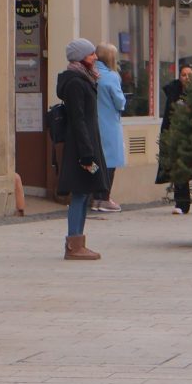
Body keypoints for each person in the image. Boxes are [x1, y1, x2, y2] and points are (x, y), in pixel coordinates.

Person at [57, 38, 104, 260]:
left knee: (85, 192)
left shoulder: (84, 78)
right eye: (91, 54)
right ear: (80, 57)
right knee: (79, 192)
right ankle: (74, 245)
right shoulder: (76, 82)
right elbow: (78, 119)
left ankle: (78, 243)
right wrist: (86, 153)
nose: (95, 57)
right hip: (80, 147)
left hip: (86, 144)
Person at [92, 43, 127, 213]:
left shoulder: (90, 74)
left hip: (92, 123)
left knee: (95, 163)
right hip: (109, 124)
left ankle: (94, 197)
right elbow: (119, 101)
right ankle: (104, 198)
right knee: (110, 163)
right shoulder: (111, 76)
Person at [158, 65, 192, 214]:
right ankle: (181, 204)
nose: (186, 78)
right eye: (183, 75)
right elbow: (168, 117)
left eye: (189, 74)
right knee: (179, 169)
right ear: (179, 77)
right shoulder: (174, 93)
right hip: (177, 134)